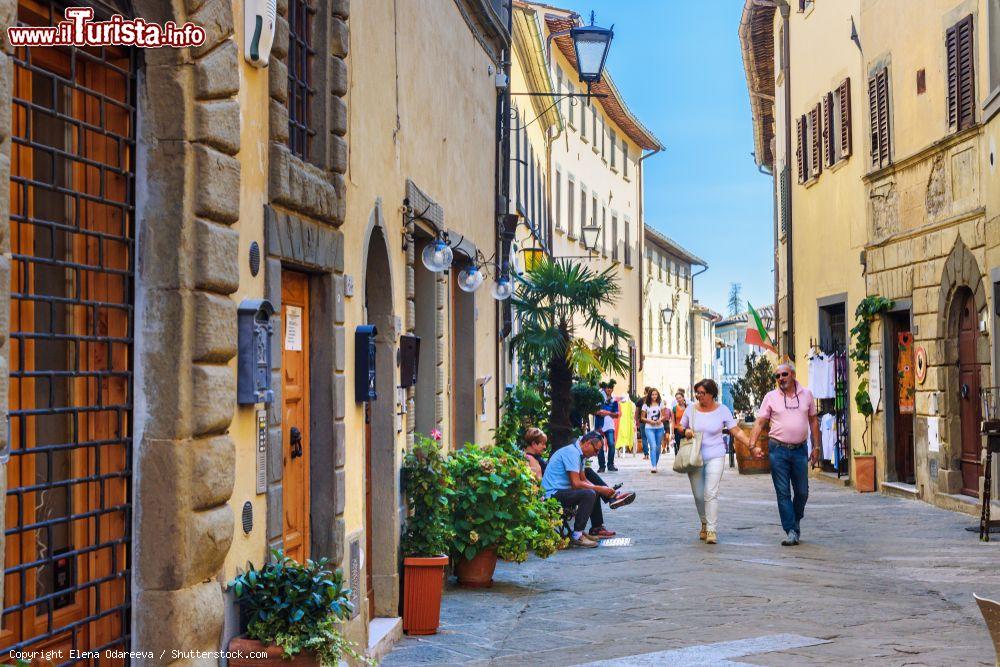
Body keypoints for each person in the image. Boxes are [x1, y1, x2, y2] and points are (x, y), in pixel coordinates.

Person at [748, 362, 820, 546]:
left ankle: (795, 520)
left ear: (793, 375)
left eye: (784, 374)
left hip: (800, 450)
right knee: (783, 492)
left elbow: (813, 421)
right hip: (778, 449)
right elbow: (760, 422)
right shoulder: (770, 397)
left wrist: (816, 447)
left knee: (802, 492)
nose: (781, 378)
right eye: (777, 376)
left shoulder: (807, 395)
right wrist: (752, 444)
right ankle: (791, 530)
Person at [681, 379, 752, 545]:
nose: (699, 396)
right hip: (695, 456)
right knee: (698, 495)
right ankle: (704, 522)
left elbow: (735, 430)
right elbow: (680, 426)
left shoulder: (723, 410)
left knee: (710, 493)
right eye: (697, 393)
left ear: (712, 394)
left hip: (716, 455)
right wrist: (687, 430)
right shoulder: (691, 409)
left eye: (702, 393)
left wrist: (750, 444)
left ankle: (712, 529)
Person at [541, 431, 636, 547]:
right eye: (596, 450)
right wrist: (600, 489)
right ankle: (577, 536)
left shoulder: (579, 454)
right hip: (551, 496)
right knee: (589, 493)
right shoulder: (572, 453)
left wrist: (601, 489)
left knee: (593, 490)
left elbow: (583, 479)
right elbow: (576, 483)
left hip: (560, 492)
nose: (596, 454)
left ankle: (612, 497)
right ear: (587, 444)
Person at [594, 383, 619, 472]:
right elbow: (594, 411)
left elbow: (616, 414)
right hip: (599, 425)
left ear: (612, 389)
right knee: (599, 445)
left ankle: (611, 464)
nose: (609, 390)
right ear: (604, 389)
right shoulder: (598, 399)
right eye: (607, 388)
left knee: (611, 444)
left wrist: (607, 413)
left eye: (611, 388)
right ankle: (601, 466)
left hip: (610, 425)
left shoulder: (614, 400)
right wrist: (599, 412)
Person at [640, 388, 667, 473]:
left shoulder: (660, 403)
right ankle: (654, 466)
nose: (654, 396)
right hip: (649, 428)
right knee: (653, 446)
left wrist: (660, 420)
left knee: (658, 447)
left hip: (659, 428)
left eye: (655, 394)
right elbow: (642, 418)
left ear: (658, 395)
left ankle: (655, 463)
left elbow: (664, 416)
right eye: (652, 394)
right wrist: (649, 421)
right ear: (649, 395)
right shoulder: (645, 405)